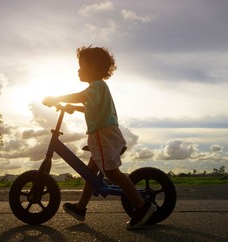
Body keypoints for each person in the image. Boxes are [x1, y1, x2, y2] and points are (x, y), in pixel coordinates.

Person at [43, 46, 156, 230]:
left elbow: (81, 97)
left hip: (103, 136)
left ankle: (142, 206)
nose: (78, 70)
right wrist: (73, 108)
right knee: (90, 173)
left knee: (111, 172)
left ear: (93, 67)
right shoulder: (97, 90)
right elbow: (89, 105)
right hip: (102, 136)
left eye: (82, 65)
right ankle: (80, 208)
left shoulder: (97, 86)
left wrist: (57, 98)